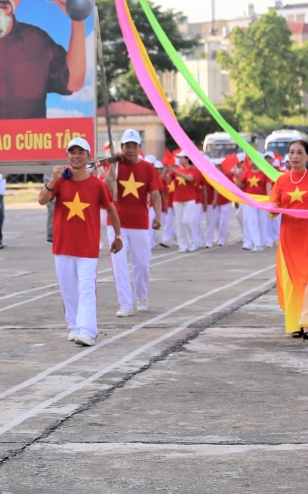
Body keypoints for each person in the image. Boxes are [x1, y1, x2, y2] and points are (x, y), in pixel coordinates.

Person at [38, 138, 121, 347]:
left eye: (80, 152)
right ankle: (74, 325)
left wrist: (118, 236)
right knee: (68, 290)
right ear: (67, 157)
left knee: (86, 289)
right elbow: (42, 200)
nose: (76, 156)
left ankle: (88, 330)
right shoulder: (59, 181)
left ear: (88, 157)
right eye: (72, 152)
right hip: (63, 246)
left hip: (87, 247)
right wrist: (53, 178)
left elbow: (111, 209)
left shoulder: (97, 184)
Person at [270, 140, 308, 341]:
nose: (294, 157)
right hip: (288, 236)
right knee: (291, 282)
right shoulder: (281, 181)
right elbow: (273, 207)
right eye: (291, 153)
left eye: (299, 153)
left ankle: (307, 324)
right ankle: (294, 324)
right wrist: (271, 209)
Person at [104, 130, 162, 316]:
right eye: (127, 146)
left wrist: (158, 216)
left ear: (139, 147)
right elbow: (106, 188)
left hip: (139, 221)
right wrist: (112, 167)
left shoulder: (147, 168)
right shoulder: (116, 166)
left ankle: (141, 297)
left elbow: (155, 194)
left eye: (133, 146)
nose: (130, 149)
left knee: (142, 263)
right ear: (122, 147)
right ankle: (125, 304)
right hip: (116, 222)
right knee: (119, 262)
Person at [167, 154, 200, 252]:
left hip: (190, 199)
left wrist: (174, 170)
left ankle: (192, 243)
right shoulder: (177, 170)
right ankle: (183, 245)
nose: (179, 160)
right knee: (180, 223)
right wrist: (166, 170)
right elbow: (167, 178)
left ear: (187, 159)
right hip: (177, 200)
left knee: (187, 221)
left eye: (181, 158)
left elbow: (190, 178)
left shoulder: (194, 170)